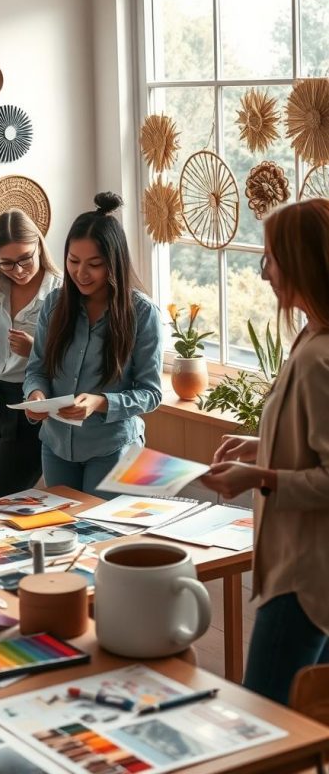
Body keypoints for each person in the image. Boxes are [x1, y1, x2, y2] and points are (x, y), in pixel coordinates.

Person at [202, 198, 329, 705]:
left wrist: (260, 478)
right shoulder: (311, 336)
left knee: (266, 718)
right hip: (301, 564)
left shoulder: (319, 357)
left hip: (304, 574)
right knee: (307, 718)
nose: (265, 274)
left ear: (298, 263)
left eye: (270, 259)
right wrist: (262, 448)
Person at [24, 192, 163, 495]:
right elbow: (37, 369)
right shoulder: (54, 304)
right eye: (73, 261)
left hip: (113, 448)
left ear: (114, 263)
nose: (81, 273)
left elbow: (151, 393)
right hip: (56, 446)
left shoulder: (142, 312)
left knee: (102, 537)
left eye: (94, 264)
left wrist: (101, 403)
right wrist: (35, 396)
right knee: (62, 534)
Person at [0, 210, 62, 497]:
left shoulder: (60, 292)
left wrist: (34, 347)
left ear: (39, 246)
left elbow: (73, 358)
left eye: (25, 259)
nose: (18, 270)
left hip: (30, 404)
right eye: (6, 263)